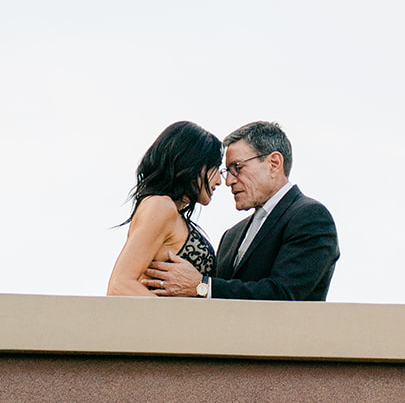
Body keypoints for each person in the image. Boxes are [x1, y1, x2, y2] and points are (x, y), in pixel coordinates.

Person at [143, 119, 339, 300]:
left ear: (274, 164)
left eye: (237, 167)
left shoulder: (311, 217)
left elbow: (282, 295)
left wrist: (202, 286)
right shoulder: (231, 236)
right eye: (226, 171)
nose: (228, 181)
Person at [107, 121, 223, 296]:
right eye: (216, 168)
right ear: (195, 164)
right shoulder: (161, 206)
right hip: (163, 322)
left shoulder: (169, 211)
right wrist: (172, 322)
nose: (220, 181)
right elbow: (120, 285)